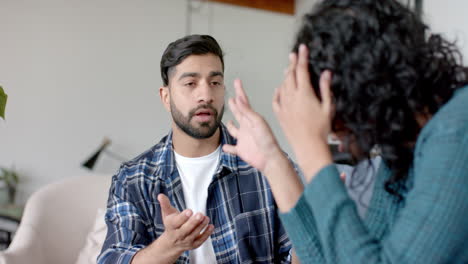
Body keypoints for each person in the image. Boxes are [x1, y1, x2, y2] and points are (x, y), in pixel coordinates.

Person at [223, 0, 468, 263]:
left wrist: (312, 149)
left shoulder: (457, 129)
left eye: (331, 116)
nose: (332, 134)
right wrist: (272, 162)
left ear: (363, 88)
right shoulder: (401, 152)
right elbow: (334, 259)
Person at [97, 35, 293, 264]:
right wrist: (169, 246)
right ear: (166, 97)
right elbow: (113, 258)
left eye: (215, 83)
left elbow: (303, 256)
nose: (206, 96)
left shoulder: (265, 165)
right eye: (191, 83)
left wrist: (309, 227)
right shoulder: (133, 179)